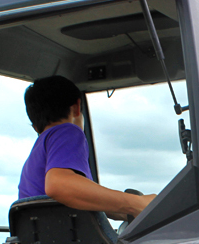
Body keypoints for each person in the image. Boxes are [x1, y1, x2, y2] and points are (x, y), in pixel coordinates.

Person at [18, 76, 154, 221]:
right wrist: (137, 203)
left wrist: (127, 211)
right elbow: (59, 186)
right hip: (69, 238)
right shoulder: (67, 131)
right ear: (77, 107)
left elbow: (77, 199)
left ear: (35, 126)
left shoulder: (38, 151)